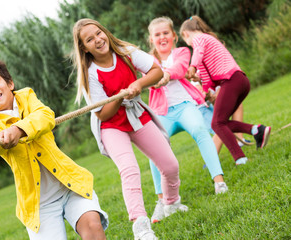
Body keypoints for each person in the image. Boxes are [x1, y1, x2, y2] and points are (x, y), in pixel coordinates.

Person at [0, 55, 108, 240]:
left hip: (71, 187)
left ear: (9, 83)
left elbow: (44, 115)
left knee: (92, 227)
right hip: (40, 206)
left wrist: (19, 130)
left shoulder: (27, 97)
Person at [72, 18, 188, 240]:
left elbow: (156, 70)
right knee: (130, 170)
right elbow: (102, 113)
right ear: (83, 48)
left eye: (98, 33)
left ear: (104, 31)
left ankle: (171, 204)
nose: (97, 40)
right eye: (89, 39)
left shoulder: (125, 52)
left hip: (136, 115)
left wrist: (138, 85)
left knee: (170, 164)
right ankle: (141, 227)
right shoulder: (90, 73)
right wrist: (120, 96)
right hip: (111, 125)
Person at [147, 16, 228, 223]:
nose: (162, 37)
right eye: (157, 35)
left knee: (200, 130)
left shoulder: (182, 52)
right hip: (162, 113)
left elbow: (181, 69)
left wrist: (164, 75)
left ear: (174, 36)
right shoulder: (148, 60)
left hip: (185, 106)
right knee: (153, 147)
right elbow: (145, 77)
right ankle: (161, 200)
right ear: (151, 40)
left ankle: (219, 181)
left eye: (166, 33)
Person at [180, 15, 271, 166]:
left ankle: (240, 158)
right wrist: (200, 81)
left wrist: (191, 67)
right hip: (241, 81)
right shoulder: (208, 40)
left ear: (186, 34)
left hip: (231, 81)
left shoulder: (199, 38)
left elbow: (197, 54)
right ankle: (257, 130)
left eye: (186, 42)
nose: (189, 45)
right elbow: (206, 76)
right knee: (221, 122)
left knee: (216, 123)